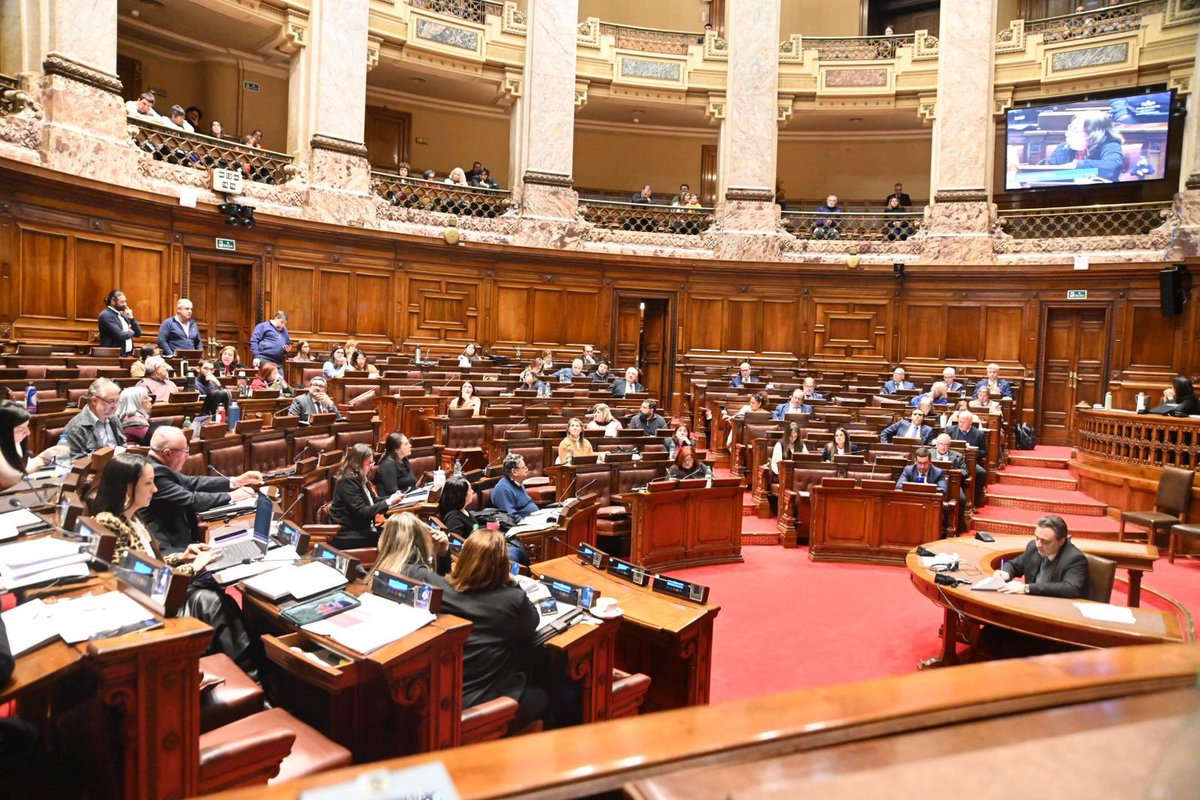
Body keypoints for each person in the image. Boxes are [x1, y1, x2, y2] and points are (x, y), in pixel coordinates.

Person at [93, 452, 264, 677]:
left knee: (216, 596)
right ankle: (252, 677)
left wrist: (183, 556)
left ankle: (248, 671)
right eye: (148, 483)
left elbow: (146, 561)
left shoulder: (130, 517)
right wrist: (193, 567)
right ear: (127, 488)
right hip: (146, 609)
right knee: (215, 601)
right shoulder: (110, 522)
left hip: (156, 597)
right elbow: (138, 579)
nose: (154, 489)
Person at [438, 528, 551, 731]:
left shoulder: (444, 592)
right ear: (502, 564)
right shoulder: (511, 599)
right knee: (546, 695)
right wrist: (514, 582)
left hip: (446, 694)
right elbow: (532, 622)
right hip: (486, 697)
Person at [141, 426, 261, 553]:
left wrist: (235, 481)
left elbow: (191, 482)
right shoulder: (154, 473)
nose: (187, 456)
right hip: (169, 548)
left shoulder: (157, 466)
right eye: (185, 451)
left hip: (180, 541)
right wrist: (232, 496)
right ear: (167, 453)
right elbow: (192, 500)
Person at [328, 444, 405, 549]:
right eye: (369, 463)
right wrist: (389, 502)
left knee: (400, 532)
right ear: (357, 464)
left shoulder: (361, 477)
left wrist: (393, 498)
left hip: (362, 529)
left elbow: (374, 500)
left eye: (372, 462)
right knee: (394, 537)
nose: (372, 466)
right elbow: (361, 511)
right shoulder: (347, 481)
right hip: (347, 534)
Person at [993, 515, 1088, 598]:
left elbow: (1070, 588)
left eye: (1045, 541)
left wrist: (1027, 588)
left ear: (1061, 541)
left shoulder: (1074, 558)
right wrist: (1006, 573)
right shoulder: (1033, 547)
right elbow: (1014, 565)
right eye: (1037, 538)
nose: (1038, 544)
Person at [1046, 111, 1126, 183]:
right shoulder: (1064, 146)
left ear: (1093, 134)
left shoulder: (1110, 144)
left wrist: (1077, 165)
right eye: (1069, 128)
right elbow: (1051, 173)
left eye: (1075, 130)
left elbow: (1111, 167)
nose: (1067, 133)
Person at [374, 511, 451, 581]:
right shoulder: (421, 575)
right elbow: (446, 591)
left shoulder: (379, 570)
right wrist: (441, 555)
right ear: (420, 540)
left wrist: (440, 554)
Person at [62, 377, 125, 458]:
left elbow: (122, 443)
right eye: (111, 401)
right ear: (94, 401)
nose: (115, 406)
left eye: (117, 401)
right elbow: (75, 461)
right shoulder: (76, 428)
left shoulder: (114, 419)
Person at [0, 401, 56, 490]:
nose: (28, 433)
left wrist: (47, 455)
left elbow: (24, 466)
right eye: (20, 429)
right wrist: (41, 460)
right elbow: (12, 480)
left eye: (27, 426)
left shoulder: (17, 443)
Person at [946, 411, 988, 508]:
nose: (960, 424)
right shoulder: (950, 430)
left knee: (981, 472)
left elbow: (984, 452)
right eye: (959, 421)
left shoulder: (978, 434)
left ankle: (976, 501)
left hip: (970, 463)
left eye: (963, 422)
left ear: (970, 422)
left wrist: (973, 451)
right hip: (952, 460)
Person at [491, 453, 538, 521]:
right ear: (514, 472)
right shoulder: (503, 489)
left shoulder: (518, 482)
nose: (527, 469)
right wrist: (526, 524)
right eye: (524, 468)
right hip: (524, 526)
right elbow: (511, 516)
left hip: (534, 519)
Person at [98, 289, 142, 355]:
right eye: (122, 302)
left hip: (128, 355)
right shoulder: (105, 315)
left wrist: (131, 318)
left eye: (125, 301)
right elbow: (120, 335)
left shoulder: (123, 315)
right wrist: (131, 331)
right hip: (113, 356)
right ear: (113, 301)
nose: (125, 304)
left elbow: (138, 333)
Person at [932, 433, 970, 509]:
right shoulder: (929, 453)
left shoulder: (957, 456)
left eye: (946, 445)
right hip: (932, 481)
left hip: (952, 484)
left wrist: (955, 472)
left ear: (949, 445)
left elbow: (965, 472)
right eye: (941, 444)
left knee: (962, 499)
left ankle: (959, 520)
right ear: (936, 444)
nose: (943, 447)